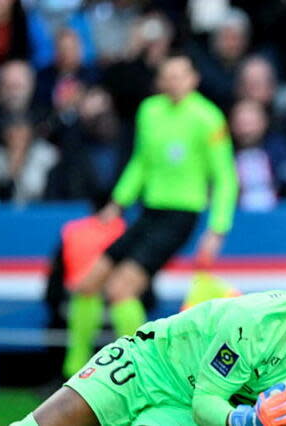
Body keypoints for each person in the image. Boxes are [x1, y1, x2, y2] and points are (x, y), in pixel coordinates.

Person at [13, 258, 286, 426]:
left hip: (193, 407)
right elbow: (209, 398)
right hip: (148, 365)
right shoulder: (253, 323)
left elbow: (203, 406)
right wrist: (249, 421)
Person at [62, 55, 239, 378]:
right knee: (87, 283)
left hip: (181, 216)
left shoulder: (208, 118)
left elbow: (225, 177)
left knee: (121, 290)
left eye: (180, 75)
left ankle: (145, 372)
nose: (173, 81)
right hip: (148, 212)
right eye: (167, 75)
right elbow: (140, 162)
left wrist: (218, 228)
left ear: (193, 79)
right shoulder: (150, 111)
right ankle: (72, 371)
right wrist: (118, 202)